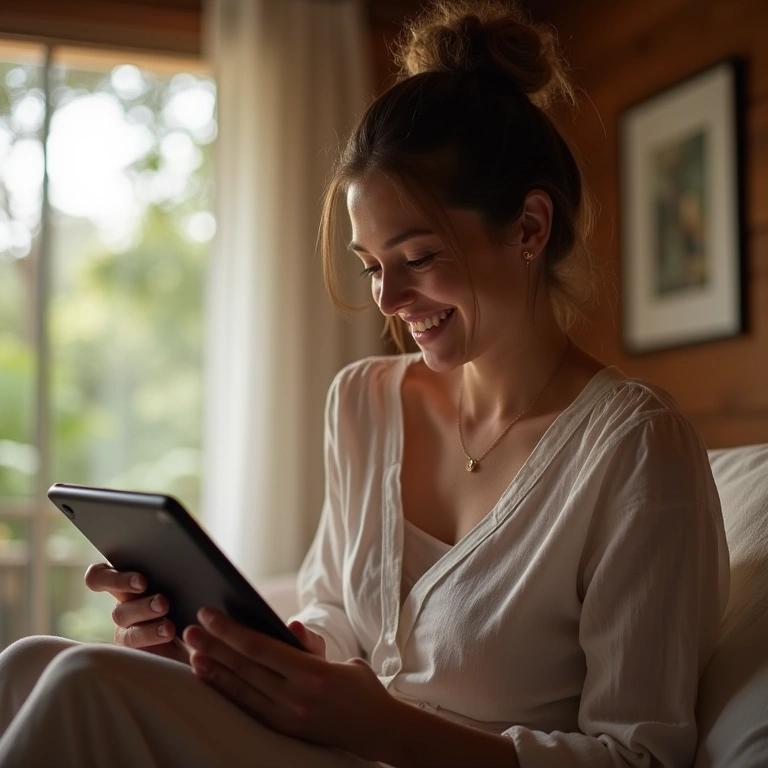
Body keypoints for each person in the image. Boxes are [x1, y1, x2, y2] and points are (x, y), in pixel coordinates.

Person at [0, 1, 729, 766]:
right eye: (373, 266)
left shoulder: (637, 451)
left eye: (416, 258)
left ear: (529, 228)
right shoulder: (364, 401)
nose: (386, 300)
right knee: (27, 665)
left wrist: (384, 727)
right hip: (333, 750)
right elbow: (338, 617)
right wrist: (223, 644)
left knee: (82, 681)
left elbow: (641, 757)